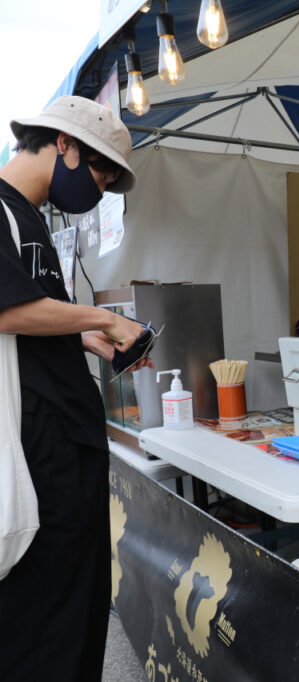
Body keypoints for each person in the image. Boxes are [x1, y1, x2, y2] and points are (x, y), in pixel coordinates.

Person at [0, 96, 149, 680]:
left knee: (80, 611)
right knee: (46, 625)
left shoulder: (31, 216)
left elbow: (33, 321)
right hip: (39, 457)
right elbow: (6, 312)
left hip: (67, 447)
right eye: (99, 171)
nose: (101, 188)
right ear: (62, 143)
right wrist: (101, 320)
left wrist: (84, 340)